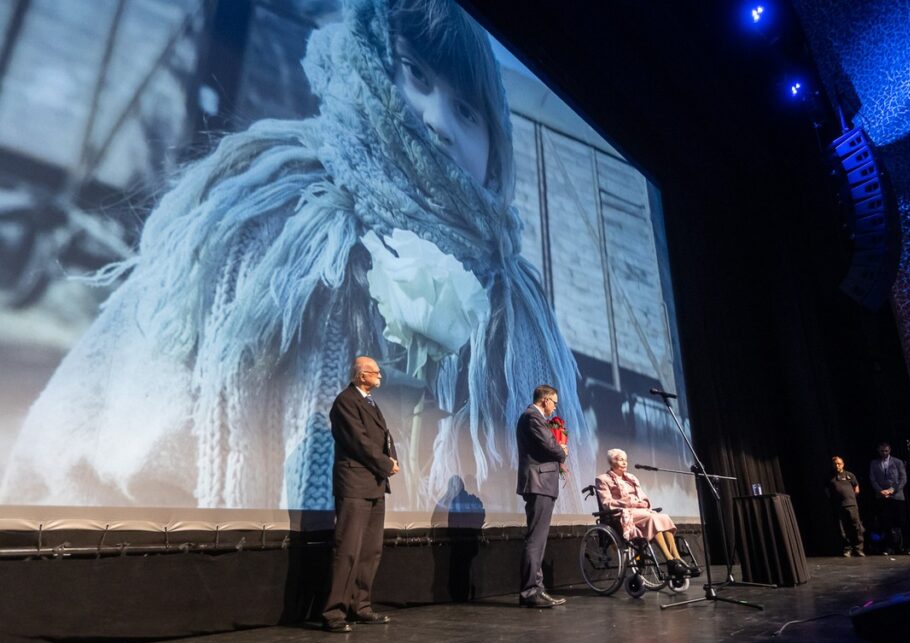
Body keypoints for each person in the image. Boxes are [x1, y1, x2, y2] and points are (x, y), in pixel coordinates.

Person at [1, 0, 591, 514]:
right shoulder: (261, 218)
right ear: (370, 67)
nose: (438, 121)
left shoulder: (520, 313)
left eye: (467, 110)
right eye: (415, 73)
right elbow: (82, 440)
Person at [321, 356, 400, 632]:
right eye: (374, 371)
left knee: (370, 551)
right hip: (354, 484)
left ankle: (361, 606)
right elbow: (359, 441)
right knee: (348, 551)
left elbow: (384, 437)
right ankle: (334, 613)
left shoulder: (369, 401)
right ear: (360, 375)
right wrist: (385, 463)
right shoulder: (345, 401)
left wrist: (392, 459)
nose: (379, 374)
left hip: (374, 485)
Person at [595, 449, 688, 577]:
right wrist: (627, 502)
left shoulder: (632, 478)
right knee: (652, 518)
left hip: (640, 511)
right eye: (620, 459)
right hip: (622, 513)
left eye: (625, 460)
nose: (624, 463)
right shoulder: (602, 479)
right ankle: (669, 560)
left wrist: (644, 502)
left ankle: (677, 558)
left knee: (663, 517)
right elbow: (606, 503)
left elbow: (642, 496)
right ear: (611, 462)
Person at [516, 384, 568, 608]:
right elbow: (551, 447)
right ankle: (530, 592)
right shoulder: (532, 417)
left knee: (539, 539)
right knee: (536, 539)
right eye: (554, 403)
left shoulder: (534, 418)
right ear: (545, 400)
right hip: (539, 483)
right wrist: (562, 451)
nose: (555, 408)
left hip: (542, 483)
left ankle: (537, 588)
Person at [869, 442, 909, 554]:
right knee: (886, 523)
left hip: (897, 496)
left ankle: (905, 546)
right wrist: (880, 491)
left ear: (889, 450)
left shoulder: (897, 462)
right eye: (882, 451)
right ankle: (890, 547)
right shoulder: (874, 463)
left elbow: (903, 478)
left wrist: (892, 490)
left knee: (901, 521)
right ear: (878, 451)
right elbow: (872, 479)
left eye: (886, 451)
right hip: (882, 497)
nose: (884, 453)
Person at [825, 456, 864, 557]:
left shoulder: (850, 475)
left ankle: (858, 548)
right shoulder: (830, 477)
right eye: (835, 464)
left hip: (851, 505)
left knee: (856, 527)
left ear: (843, 464)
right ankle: (847, 549)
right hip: (839, 506)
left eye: (839, 463)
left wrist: (851, 498)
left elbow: (856, 487)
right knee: (842, 529)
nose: (837, 466)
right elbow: (827, 491)